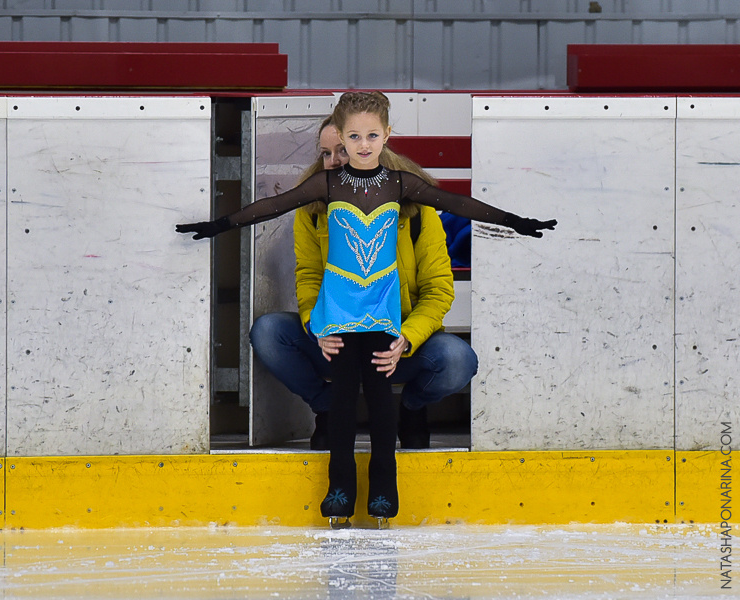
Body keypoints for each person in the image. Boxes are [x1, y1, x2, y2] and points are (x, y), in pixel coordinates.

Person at [177, 91, 556, 522]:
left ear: (386, 137)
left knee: (396, 389)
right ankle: (339, 482)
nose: (351, 151)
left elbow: (458, 216)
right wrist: (218, 226)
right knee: (331, 390)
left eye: (366, 138)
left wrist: (518, 222)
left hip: (390, 322)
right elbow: (283, 234)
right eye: (340, 144)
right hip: (336, 322)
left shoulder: (405, 193)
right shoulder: (321, 193)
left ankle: (390, 465)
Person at [248, 117, 477, 452]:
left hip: (394, 344)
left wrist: (407, 339)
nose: (335, 161)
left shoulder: (417, 208)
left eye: (343, 149)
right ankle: (328, 409)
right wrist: (317, 326)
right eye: (326, 153)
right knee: (268, 332)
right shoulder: (312, 209)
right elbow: (309, 278)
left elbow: (438, 291)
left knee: (457, 359)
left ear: (375, 147)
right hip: (339, 340)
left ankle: (412, 411)